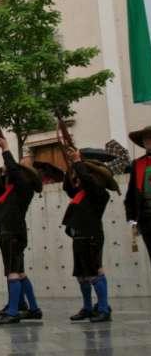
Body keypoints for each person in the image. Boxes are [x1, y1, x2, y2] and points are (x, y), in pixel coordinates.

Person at [0, 136, 43, 324]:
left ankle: (13, 312)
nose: (15, 172)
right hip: (9, 231)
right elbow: (3, 177)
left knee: (13, 271)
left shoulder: (23, 187)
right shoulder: (11, 188)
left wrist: (5, 149)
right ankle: (34, 308)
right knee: (19, 272)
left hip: (14, 232)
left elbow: (13, 169)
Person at [63, 148, 118, 323]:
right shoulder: (81, 193)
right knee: (81, 275)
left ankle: (103, 308)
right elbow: (67, 187)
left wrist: (79, 163)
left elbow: (87, 180)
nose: (79, 179)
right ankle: (87, 307)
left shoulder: (99, 192)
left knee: (94, 272)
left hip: (91, 236)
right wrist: (71, 165)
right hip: (79, 236)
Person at [125, 125, 151, 262]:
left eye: (150, 137)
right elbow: (130, 195)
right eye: (145, 138)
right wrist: (132, 220)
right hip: (147, 220)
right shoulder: (138, 164)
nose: (148, 140)